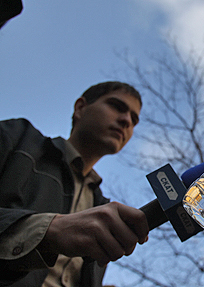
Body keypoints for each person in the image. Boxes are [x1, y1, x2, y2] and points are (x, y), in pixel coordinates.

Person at [0, 81, 150, 286]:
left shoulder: (102, 207)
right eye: (117, 106)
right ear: (80, 108)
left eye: (134, 120)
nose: (126, 121)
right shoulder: (17, 138)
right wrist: (48, 231)